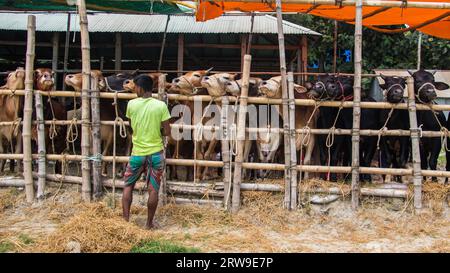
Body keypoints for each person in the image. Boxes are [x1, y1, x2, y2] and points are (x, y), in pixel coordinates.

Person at [122, 74, 171, 229]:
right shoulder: (161, 106)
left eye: (135, 86)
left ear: (141, 88)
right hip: (156, 154)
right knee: (153, 189)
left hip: (137, 154)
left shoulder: (131, 104)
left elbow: (131, 126)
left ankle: (125, 222)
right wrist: (158, 133)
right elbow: (167, 131)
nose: (134, 89)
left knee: (128, 186)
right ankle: (149, 224)